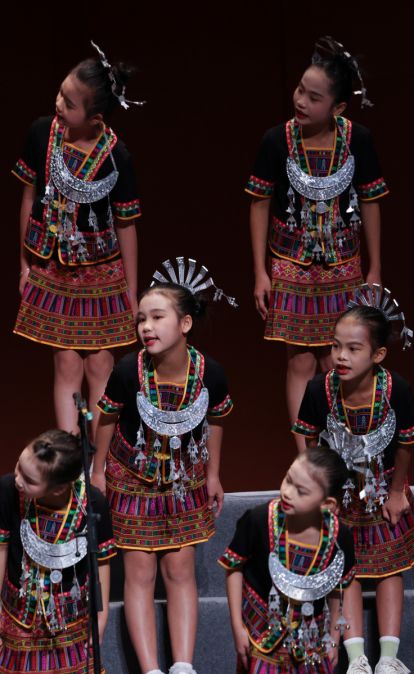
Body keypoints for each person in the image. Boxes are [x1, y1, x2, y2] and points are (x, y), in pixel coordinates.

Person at [91, 258, 235, 674]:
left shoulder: (212, 373)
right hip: (131, 478)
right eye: (141, 319)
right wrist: (98, 471)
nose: (146, 327)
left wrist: (212, 474)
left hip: (184, 480)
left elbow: (217, 422)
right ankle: (152, 669)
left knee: (179, 570)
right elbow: (105, 419)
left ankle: (183, 666)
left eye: (157, 317)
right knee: (138, 573)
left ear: (185, 324)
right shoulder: (126, 370)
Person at [247, 35, 389, 425]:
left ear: (338, 107)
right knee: (301, 360)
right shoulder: (276, 140)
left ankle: (337, 447)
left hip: (344, 264)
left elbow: (371, 201)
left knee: (335, 358)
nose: (301, 101)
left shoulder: (358, 140)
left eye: (313, 97)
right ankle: (305, 459)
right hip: (290, 263)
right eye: (299, 90)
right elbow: (259, 203)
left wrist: (374, 268)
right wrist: (261, 271)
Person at [13, 41, 144, 436]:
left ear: (95, 116)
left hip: (102, 274)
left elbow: (126, 225)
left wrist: (130, 292)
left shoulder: (116, 154)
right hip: (53, 268)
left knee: (101, 364)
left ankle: (100, 464)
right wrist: (25, 265)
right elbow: (29, 198)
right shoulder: (42, 134)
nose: (59, 104)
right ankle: (72, 458)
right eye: (60, 93)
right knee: (66, 363)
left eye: (69, 103)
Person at [293, 286, 414, 674]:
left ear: (378, 354)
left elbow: (406, 443)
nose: (341, 356)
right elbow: (310, 440)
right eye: (336, 347)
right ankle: (357, 659)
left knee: (388, 571)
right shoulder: (319, 389)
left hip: (384, 488)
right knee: (343, 569)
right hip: (339, 493)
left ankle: (387, 658)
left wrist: (398, 490)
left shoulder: (396, 389)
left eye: (353, 349)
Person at [219, 445, 358, 673]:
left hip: (312, 640)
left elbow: (339, 589)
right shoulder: (258, 520)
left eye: (301, 491)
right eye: (288, 479)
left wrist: (334, 638)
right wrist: (237, 625)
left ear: (328, 504)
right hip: (262, 634)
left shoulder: (339, 537)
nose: (287, 492)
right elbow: (234, 567)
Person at [0, 429, 115, 674]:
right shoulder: (8, 489)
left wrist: (101, 617)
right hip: (18, 615)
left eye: (30, 480)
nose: (18, 479)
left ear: (58, 488)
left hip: (71, 620)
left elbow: (102, 564)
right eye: (19, 467)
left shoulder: (93, 503)